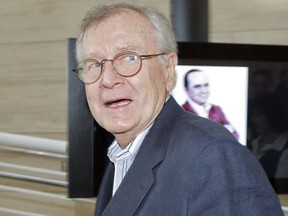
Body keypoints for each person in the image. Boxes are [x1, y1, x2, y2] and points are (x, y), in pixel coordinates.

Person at [74, 3, 283, 216]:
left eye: (129, 58)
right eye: (94, 64)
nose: (108, 79)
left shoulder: (213, 155)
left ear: (168, 69)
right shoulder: (121, 156)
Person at [182, 69, 239, 140]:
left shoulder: (216, 109)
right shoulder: (181, 112)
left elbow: (234, 135)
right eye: (197, 86)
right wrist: (222, 131)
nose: (204, 91)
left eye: (206, 85)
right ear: (186, 90)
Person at [249, 93, 288, 178]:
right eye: (253, 115)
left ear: (271, 115)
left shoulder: (284, 149)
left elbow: (281, 187)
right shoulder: (250, 145)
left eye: (258, 115)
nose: (253, 119)